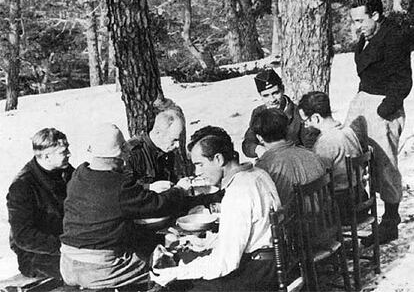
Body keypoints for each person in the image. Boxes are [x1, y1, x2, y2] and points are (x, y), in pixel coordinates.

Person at [60, 123, 193, 289]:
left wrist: (146, 189)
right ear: (120, 153)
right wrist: (180, 190)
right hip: (101, 269)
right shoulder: (118, 184)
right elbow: (158, 205)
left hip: (67, 263)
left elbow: (106, 198)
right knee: (165, 265)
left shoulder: (79, 175)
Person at [151, 126, 281, 291]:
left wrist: (176, 273)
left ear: (219, 159)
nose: (197, 172)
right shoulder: (258, 174)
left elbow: (225, 263)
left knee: (180, 285)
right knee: (191, 260)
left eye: (200, 164)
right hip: (273, 263)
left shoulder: (237, 192)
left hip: (258, 274)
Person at [346, 0, 412, 245]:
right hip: (363, 100)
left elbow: (403, 80)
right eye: (353, 21)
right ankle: (361, 211)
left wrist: (385, 110)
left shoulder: (392, 37)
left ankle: (390, 222)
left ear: (375, 15)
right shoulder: (366, 37)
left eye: (360, 20)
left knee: (385, 164)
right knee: (350, 155)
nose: (356, 26)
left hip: (383, 106)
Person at [6, 128, 73, 279]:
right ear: (47, 156)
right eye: (63, 151)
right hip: (37, 256)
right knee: (86, 271)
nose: (69, 154)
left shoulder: (65, 172)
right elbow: (23, 236)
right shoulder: (22, 186)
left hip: (68, 244)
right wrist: (63, 246)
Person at [298, 91, 368, 224]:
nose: (305, 126)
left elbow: (318, 179)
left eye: (305, 121)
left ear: (316, 118)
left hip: (342, 209)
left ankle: (325, 242)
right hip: (361, 198)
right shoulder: (349, 131)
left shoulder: (325, 142)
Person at [252, 108, 326, 205]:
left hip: (293, 219)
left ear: (260, 138)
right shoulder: (312, 155)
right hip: (324, 217)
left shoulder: (264, 168)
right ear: (287, 130)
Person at [242, 69, 316, 159]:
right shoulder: (258, 112)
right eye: (266, 95)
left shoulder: (299, 113)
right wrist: (258, 149)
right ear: (260, 96)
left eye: (275, 93)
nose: (272, 99)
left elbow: (310, 149)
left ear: (283, 89)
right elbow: (247, 143)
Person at [126, 108, 185, 188]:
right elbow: (125, 190)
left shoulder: (167, 151)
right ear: (158, 133)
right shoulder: (133, 152)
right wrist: (149, 188)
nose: (177, 145)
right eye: (174, 140)